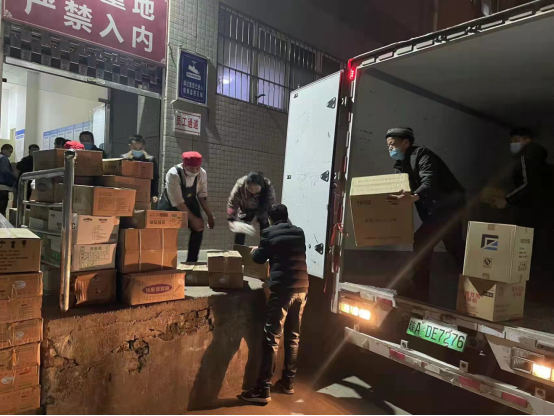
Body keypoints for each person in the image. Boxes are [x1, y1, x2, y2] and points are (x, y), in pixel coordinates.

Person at [386, 127, 466, 299]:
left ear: (405, 143)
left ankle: (419, 292)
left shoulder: (423, 155)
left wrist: (413, 196)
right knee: (454, 246)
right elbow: (400, 188)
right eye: (388, 146)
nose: (389, 148)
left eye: (392, 144)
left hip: (447, 206)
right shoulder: (399, 165)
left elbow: (428, 182)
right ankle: (477, 279)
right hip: (434, 211)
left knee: (422, 241)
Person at [241, 204, 309, 404]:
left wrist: (255, 251)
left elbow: (259, 258)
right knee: (293, 337)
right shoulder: (299, 232)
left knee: (272, 338)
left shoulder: (269, 232)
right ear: (286, 217)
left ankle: (263, 389)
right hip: (302, 288)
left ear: (270, 219)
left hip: (283, 290)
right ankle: (288, 382)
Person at [492, 128, 554, 281]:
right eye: (511, 142)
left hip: (532, 208)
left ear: (527, 140)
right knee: (540, 244)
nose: (513, 144)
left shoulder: (526, 156)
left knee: (526, 244)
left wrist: (507, 200)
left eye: (516, 140)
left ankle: (524, 278)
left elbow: (528, 184)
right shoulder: (538, 158)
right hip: (543, 208)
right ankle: (536, 279)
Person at [158, 151, 215, 262]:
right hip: (171, 203)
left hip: (190, 201)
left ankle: (191, 262)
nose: (195, 171)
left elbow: (202, 196)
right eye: (191, 169)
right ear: (184, 165)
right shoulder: (173, 174)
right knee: (166, 233)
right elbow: (178, 202)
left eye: (197, 168)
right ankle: (164, 262)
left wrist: (210, 215)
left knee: (199, 228)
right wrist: (193, 219)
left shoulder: (202, 173)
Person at [227, 172, 276, 245]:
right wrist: (231, 219)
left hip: (262, 207)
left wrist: (271, 219)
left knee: (265, 228)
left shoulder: (267, 185)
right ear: (246, 185)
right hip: (246, 207)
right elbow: (232, 203)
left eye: (256, 189)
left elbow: (271, 205)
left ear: (261, 186)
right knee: (241, 227)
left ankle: (265, 248)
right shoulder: (240, 185)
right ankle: (238, 248)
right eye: (250, 188)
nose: (253, 191)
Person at [122, 135, 160, 204]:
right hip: (128, 193)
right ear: (130, 146)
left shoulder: (150, 160)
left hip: (145, 194)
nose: (137, 151)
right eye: (135, 148)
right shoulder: (124, 159)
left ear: (144, 147)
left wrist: (154, 194)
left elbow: (155, 178)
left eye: (140, 148)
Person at [0, 144, 17, 218]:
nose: (10, 154)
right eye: (9, 151)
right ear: (3, 149)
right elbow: (5, 171)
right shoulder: (3, 158)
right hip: (2, 187)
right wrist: (14, 178)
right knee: (1, 209)